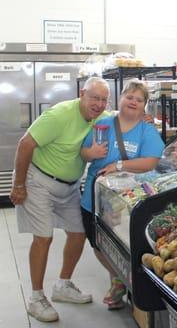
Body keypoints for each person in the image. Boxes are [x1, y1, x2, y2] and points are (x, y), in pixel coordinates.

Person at [10, 77, 111, 322]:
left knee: (78, 233)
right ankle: (36, 298)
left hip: (69, 185)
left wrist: (146, 118)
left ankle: (63, 286)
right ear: (82, 93)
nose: (98, 104)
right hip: (38, 179)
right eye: (94, 97)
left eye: (103, 99)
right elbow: (25, 145)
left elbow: (125, 118)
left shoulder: (101, 116)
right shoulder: (59, 115)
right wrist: (19, 185)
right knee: (43, 237)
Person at [80, 79, 164, 310]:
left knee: (124, 244)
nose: (133, 102)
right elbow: (84, 154)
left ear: (144, 105)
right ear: (120, 98)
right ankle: (117, 278)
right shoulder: (103, 124)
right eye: (129, 97)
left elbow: (151, 162)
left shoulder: (147, 129)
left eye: (139, 99)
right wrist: (91, 152)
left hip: (128, 199)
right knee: (99, 243)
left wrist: (118, 165)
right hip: (95, 196)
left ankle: (126, 283)